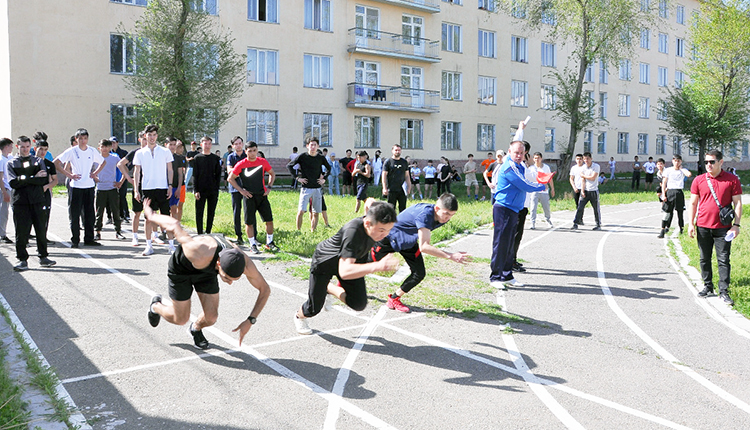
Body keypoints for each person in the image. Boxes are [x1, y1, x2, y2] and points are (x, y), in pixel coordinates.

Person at [142, 199, 271, 349]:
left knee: (211, 317)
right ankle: (156, 306)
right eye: (228, 278)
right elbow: (174, 225)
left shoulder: (244, 262)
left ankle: (195, 328)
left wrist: (250, 320)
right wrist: (151, 215)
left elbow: (265, 289)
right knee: (180, 318)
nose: (230, 283)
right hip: (181, 270)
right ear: (218, 264)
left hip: (206, 272)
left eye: (234, 279)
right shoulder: (198, 250)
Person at [293, 200, 400, 335]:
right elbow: (345, 271)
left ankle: (329, 288)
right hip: (325, 263)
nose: (384, 235)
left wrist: (369, 202)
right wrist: (378, 266)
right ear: (367, 223)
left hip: (352, 260)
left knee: (358, 303)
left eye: (389, 230)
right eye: (381, 230)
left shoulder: (372, 221)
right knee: (313, 308)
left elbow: (369, 203)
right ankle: (299, 316)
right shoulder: (353, 232)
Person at [370, 193, 470, 312]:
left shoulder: (441, 216)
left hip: (408, 242)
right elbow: (424, 246)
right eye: (446, 213)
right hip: (390, 237)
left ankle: (394, 298)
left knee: (419, 273)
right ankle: (344, 276)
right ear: (437, 208)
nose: (448, 218)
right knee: (368, 263)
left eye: (452, 215)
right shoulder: (425, 215)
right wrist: (450, 256)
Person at [489, 122, 545, 289]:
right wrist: (543, 184)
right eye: (516, 153)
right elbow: (525, 185)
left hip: (514, 210)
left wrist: (521, 129)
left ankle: (507, 274)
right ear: (509, 153)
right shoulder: (509, 167)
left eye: (522, 153)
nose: (519, 155)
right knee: (501, 243)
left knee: (509, 244)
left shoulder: (518, 164)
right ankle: (495, 277)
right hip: (503, 209)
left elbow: (517, 140)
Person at [688, 149, 742, 305]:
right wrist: (691, 223)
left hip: (723, 228)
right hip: (703, 226)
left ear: (721, 162)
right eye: (706, 162)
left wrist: (736, 225)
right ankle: (708, 286)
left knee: (723, 259)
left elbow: (737, 203)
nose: (708, 165)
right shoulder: (698, 180)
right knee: (704, 258)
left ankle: (723, 291)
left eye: (712, 162)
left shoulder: (732, 180)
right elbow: (693, 203)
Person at [7, 136, 56, 271]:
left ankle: (43, 257)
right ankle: (22, 260)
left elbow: (43, 180)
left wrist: (24, 179)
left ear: (31, 147)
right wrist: (33, 177)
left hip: (37, 200)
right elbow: (13, 183)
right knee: (21, 232)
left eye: (27, 146)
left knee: (41, 229)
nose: (25, 149)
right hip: (20, 202)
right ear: (18, 147)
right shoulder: (12, 163)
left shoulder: (38, 161)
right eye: (22, 146)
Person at [54, 128, 106, 248]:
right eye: (80, 138)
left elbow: (103, 162)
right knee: (75, 214)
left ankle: (89, 238)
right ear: (76, 139)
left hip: (89, 186)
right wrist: (69, 174)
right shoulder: (72, 151)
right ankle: (75, 240)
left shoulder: (92, 151)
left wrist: (95, 173)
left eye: (85, 138)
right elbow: (56, 162)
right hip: (76, 186)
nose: (83, 141)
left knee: (89, 214)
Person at [228, 141, 279, 254]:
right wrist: (241, 191)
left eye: (254, 150)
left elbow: (272, 173)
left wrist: (269, 187)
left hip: (262, 195)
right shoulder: (241, 164)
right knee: (249, 222)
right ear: (246, 151)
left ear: (257, 150)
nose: (252, 153)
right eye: (249, 151)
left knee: (269, 220)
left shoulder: (262, 162)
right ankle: (252, 244)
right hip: (249, 197)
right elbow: (230, 178)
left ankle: (269, 243)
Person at [134, 125, 175, 255]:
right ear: (145, 136)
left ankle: (171, 245)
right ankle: (148, 245)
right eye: (149, 135)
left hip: (162, 187)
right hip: (147, 188)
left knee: (166, 217)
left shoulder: (165, 151)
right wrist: (136, 189)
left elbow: (170, 170)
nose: (152, 138)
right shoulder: (139, 153)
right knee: (148, 218)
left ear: (157, 136)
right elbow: (137, 172)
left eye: (154, 135)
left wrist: (170, 185)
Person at [288, 138, 330, 232]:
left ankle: (313, 231)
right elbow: (290, 166)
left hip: (317, 188)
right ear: (307, 146)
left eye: (315, 145)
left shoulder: (321, 157)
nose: (313, 147)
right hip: (306, 188)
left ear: (318, 146)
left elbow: (329, 168)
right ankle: (298, 231)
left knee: (316, 212)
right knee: (301, 211)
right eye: (311, 145)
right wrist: (297, 178)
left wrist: (324, 179)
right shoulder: (302, 156)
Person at [118, 132, 148, 247]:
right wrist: (128, 178)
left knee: (151, 213)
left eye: (147, 139)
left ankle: (152, 236)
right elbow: (120, 164)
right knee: (137, 212)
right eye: (144, 139)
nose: (146, 141)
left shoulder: (153, 152)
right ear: (140, 140)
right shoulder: (135, 152)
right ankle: (135, 236)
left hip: (150, 185)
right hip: (139, 185)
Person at [93, 139, 125, 241]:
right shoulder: (95, 158)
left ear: (110, 147)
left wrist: (120, 182)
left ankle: (118, 231)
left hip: (112, 188)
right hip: (100, 189)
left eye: (107, 146)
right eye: (103, 147)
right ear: (99, 148)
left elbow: (124, 170)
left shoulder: (114, 158)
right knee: (99, 212)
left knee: (115, 211)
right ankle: (97, 232)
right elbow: (90, 171)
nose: (105, 149)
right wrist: (94, 178)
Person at [192, 136, 222, 236]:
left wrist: (216, 189)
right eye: (205, 143)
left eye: (209, 143)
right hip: (200, 189)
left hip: (212, 190)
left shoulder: (216, 158)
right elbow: (195, 175)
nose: (207, 145)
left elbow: (218, 175)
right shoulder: (197, 158)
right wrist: (195, 190)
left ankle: (208, 231)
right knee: (199, 212)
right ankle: (200, 232)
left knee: (211, 212)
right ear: (201, 145)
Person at [658, 154, 692, 238]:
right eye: (675, 161)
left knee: (680, 212)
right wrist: (663, 194)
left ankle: (681, 229)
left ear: (681, 162)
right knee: (667, 212)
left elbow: (689, 175)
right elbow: (664, 183)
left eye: (678, 161)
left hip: (679, 191)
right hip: (670, 191)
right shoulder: (668, 170)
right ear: (672, 161)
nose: (676, 163)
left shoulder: (682, 170)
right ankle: (663, 229)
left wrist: (681, 169)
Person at [32, 139, 58, 245]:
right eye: (41, 149)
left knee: (45, 216)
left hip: (44, 194)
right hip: (32, 193)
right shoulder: (30, 162)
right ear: (35, 149)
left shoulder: (49, 164)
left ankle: (43, 236)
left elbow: (55, 180)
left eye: (45, 150)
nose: (43, 152)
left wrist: (47, 186)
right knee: (30, 216)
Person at [571, 152, 602, 231]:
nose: (586, 161)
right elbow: (583, 180)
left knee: (596, 208)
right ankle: (576, 223)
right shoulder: (583, 168)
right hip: (586, 190)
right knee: (580, 207)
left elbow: (592, 178)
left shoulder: (596, 166)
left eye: (587, 159)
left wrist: (583, 175)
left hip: (593, 190)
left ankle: (598, 224)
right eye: (585, 159)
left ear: (591, 159)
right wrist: (582, 191)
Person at [226, 136, 247, 244]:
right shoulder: (230, 157)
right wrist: (240, 172)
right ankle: (239, 235)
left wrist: (236, 172)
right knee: (236, 212)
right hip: (235, 188)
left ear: (242, 144)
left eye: (240, 143)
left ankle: (253, 236)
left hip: (247, 187)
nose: (238, 145)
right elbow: (230, 171)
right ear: (233, 146)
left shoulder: (247, 155)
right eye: (236, 144)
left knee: (249, 212)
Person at [528, 152, 555, 229]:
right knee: (533, 207)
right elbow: (529, 179)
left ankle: (548, 220)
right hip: (534, 190)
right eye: (535, 158)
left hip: (544, 190)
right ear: (533, 159)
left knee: (546, 207)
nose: (537, 159)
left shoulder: (546, 167)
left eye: (538, 158)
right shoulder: (531, 168)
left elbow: (549, 178)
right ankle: (532, 222)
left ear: (541, 158)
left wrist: (552, 188)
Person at [382, 144, 411, 213]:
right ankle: (391, 223)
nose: (397, 152)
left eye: (399, 150)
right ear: (392, 151)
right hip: (391, 189)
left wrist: (409, 186)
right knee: (391, 209)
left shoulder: (404, 162)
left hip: (402, 189)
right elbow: (384, 175)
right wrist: (384, 187)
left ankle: (402, 223)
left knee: (403, 208)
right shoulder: (388, 162)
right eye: (396, 150)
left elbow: (407, 175)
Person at [109, 136, 131, 223]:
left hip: (122, 177)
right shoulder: (108, 153)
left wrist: (125, 175)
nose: (113, 145)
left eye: (114, 143)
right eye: (111, 143)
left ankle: (125, 215)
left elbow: (128, 165)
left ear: (117, 143)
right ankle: (114, 216)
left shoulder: (123, 153)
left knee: (122, 196)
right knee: (113, 198)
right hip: (113, 177)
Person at [166, 137, 186, 223]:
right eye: (170, 144)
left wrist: (179, 188)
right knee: (164, 210)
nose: (172, 147)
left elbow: (180, 174)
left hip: (175, 187)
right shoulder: (162, 157)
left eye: (174, 145)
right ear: (166, 145)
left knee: (174, 209)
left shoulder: (178, 158)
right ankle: (163, 230)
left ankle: (174, 229)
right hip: (164, 186)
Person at [0, 138, 14, 244]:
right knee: (3, 212)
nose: (12, 148)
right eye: (10, 146)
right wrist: (4, 192)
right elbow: (0, 178)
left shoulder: (9, 158)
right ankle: (2, 234)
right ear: (6, 147)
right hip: (5, 189)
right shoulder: (1, 160)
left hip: (10, 188)